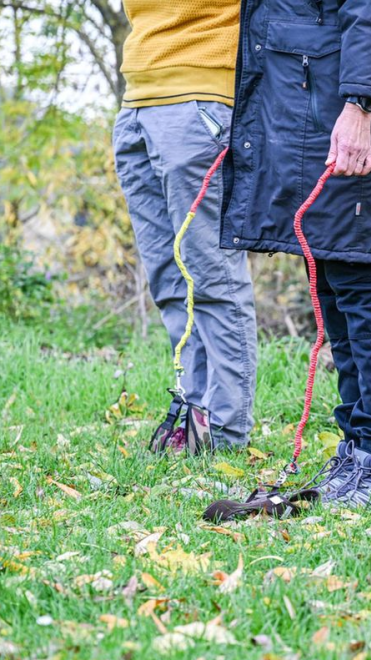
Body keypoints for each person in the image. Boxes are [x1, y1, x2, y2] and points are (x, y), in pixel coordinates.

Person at [219, 0, 371, 504]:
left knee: (364, 277)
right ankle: (359, 450)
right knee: (334, 278)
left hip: (349, 109)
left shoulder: (358, 105)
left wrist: (359, 104)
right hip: (312, 109)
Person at [113, 0, 258, 451]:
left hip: (200, 100)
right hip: (137, 101)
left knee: (211, 275)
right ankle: (195, 416)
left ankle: (226, 430)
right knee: (169, 279)